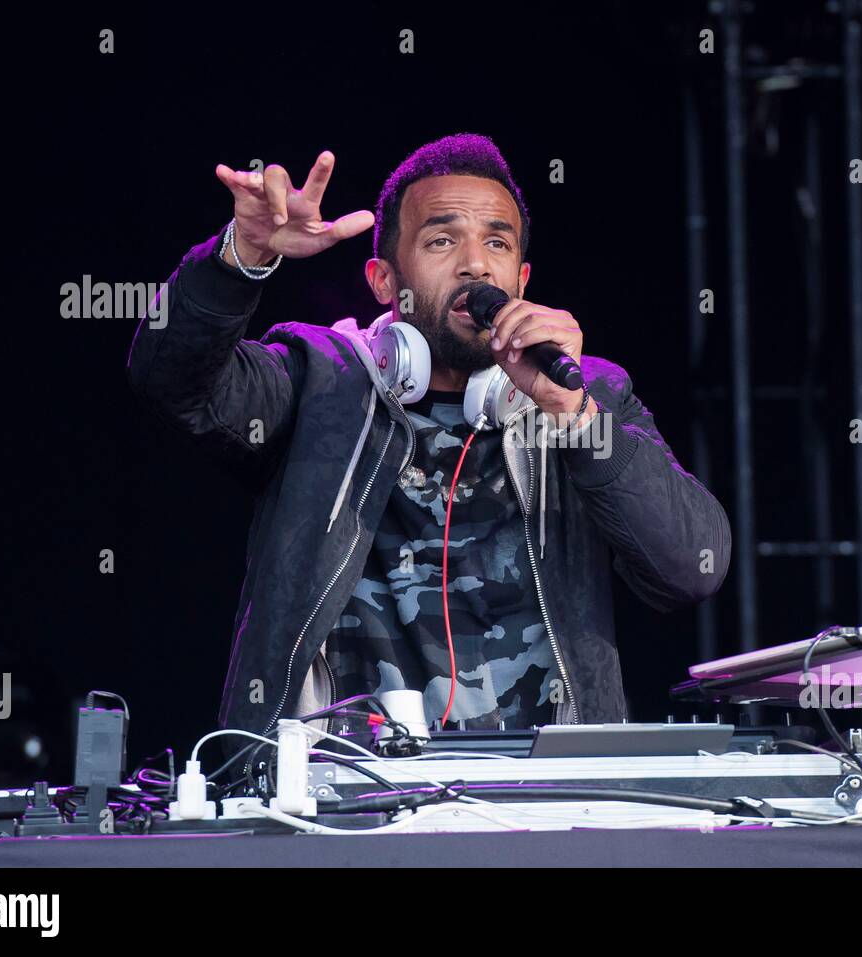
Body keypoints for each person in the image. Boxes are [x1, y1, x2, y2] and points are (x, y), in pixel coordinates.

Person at [127, 133, 731, 745]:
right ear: (384, 280)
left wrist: (572, 414)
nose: (476, 264)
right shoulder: (317, 380)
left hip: (547, 803)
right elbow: (170, 382)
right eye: (443, 239)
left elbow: (691, 569)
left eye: (497, 242)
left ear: (520, 278)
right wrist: (240, 258)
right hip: (345, 797)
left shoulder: (586, 394)